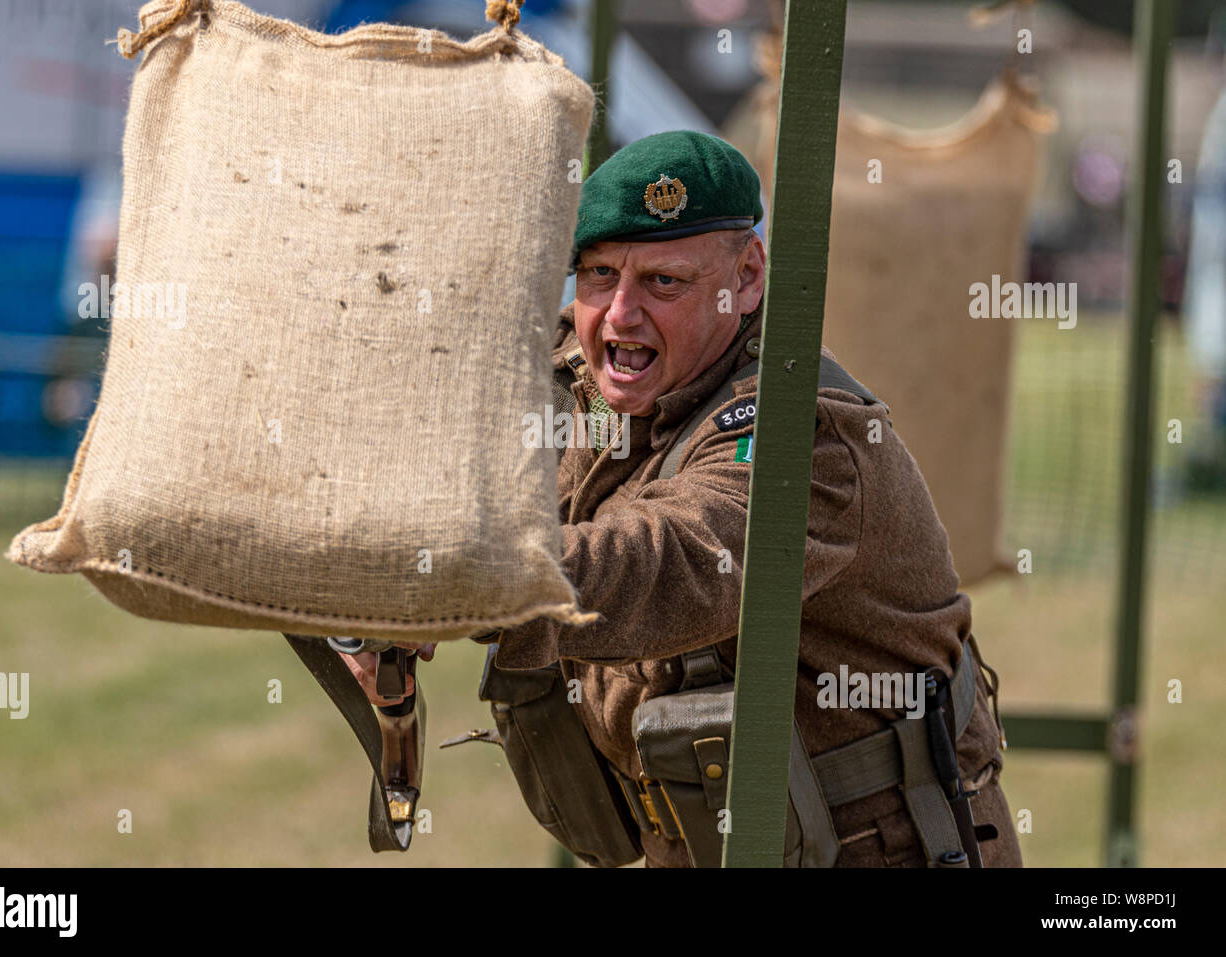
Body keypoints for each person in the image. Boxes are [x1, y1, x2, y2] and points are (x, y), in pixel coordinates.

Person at [340, 130, 1021, 868]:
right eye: (598, 274)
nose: (620, 314)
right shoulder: (596, 378)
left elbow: (663, 562)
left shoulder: (806, 439)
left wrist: (450, 577)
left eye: (664, 282)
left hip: (878, 847)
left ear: (749, 277)